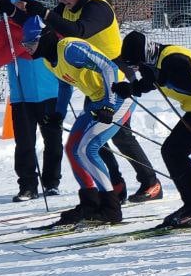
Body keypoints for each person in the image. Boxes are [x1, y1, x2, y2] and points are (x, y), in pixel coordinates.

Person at [20, 0, 162, 203]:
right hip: (95, 84)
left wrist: (46, 13)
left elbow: (79, 31)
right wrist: (16, 12)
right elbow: (42, 29)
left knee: (120, 137)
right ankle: (115, 184)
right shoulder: (66, 8)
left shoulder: (98, 7)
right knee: (93, 139)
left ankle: (151, 183)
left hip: (117, 77)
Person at [116, 31, 191, 228]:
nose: (135, 68)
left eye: (136, 64)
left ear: (146, 52)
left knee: (174, 152)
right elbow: (150, 81)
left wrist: (161, 78)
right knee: (171, 151)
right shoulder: (153, 62)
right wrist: (131, 89)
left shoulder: (173, 59)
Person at [25, 17, 130, 226]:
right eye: (25, 44)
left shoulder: (69, 48)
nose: (28, 48)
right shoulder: (49, 59)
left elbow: (108, 68)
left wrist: (109, 104)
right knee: (73, 148)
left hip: (118, 96)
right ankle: (90, 202)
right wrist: (58, 113)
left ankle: (111, 208)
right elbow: (65, 86)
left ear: (45, 37)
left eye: (31, 42)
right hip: (96, 101)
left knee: (87, 149)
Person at [0, 0, 63, 201]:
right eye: (18, 1)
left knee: (53, 139)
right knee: (24, 142)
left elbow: (59, 45)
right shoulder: (4, 26)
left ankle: (51, 182)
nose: (22, 5)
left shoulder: (44, 21)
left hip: (50, 91)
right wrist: (22, 46)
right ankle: (28, 185)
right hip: (22, 94)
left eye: (26, 0)